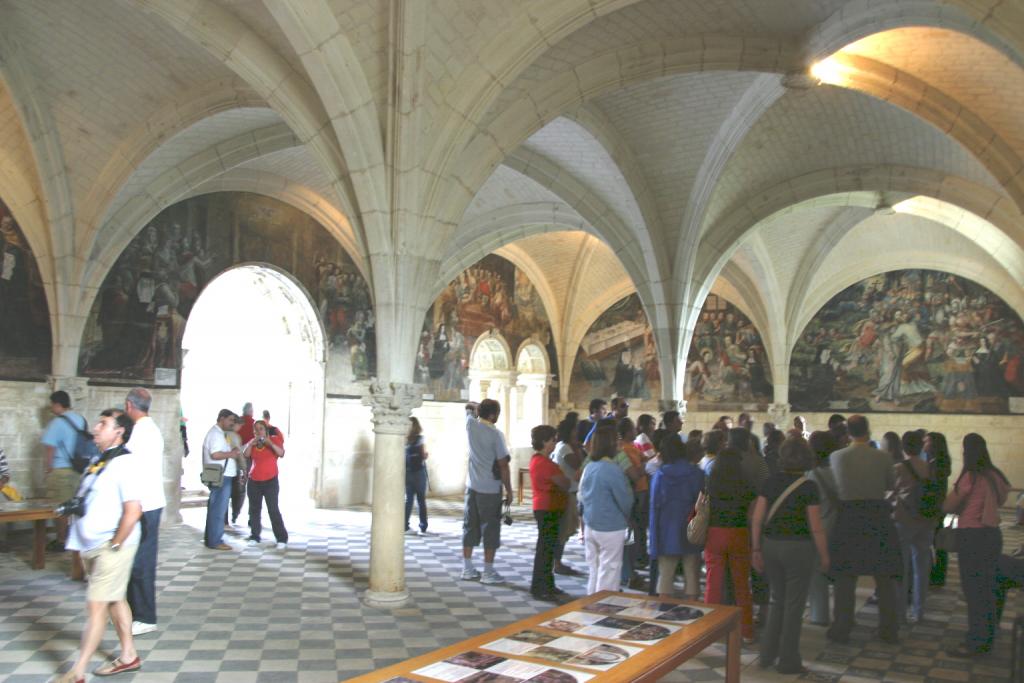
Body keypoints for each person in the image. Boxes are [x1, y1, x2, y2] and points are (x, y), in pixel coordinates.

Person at [56, 409, 143, 683]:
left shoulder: (125, 463)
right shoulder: (101, 460)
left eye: (103, 424)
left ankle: (77, 672)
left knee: (96, 607)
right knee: (115, 599)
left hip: (111, 545)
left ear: (119, 432)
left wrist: (115, 545)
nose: (95, 428)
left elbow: (134, 511)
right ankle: (129, 656)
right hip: (94, 543)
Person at [751, 437, 829, 674]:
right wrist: (825, 555)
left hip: (771, 545)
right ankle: (788, 660)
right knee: (794, 606)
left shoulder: (770, 482)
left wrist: (755, 549)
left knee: (777, 601)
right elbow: (815, 526)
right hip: (798, 548)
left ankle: (766, 654)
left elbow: (757, 518)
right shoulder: (808, 487)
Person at [827, 415, 901, 644]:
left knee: (845, 577)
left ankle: (842, 627)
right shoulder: (883, 457)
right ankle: (889, 629)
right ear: (868, 431)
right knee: (884, 576)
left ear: (848, 433)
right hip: (877, 515)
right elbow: (890, 484)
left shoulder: (837, 456)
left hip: (848, 516)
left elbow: (835, 486)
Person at [942, 433, 1011, 657]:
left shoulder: (970, 476)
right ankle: (989, 632)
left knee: (974, 591)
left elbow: (949, 505)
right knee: (989, 587)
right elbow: (1002, 499)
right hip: (992, 535)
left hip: (972, 537)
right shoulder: (995, 475)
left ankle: (976, 641)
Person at [123, 388, 164, 637]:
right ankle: (132, 611)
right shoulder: (147, 429)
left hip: (145, 504)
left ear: (129, 405)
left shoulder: (142, 432)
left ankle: (146, 616)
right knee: (134, 560)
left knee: (142, 562)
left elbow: (130, 467)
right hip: (145, 502)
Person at [704, 447, 756, 642]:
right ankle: (746, 631)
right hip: (738, 533)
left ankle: (709, 631)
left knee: (713, 583)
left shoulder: (710, 482)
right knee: (741, 584)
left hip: (714, 533)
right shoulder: (745, 483)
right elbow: (752, 512)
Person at [461, 400, 513, 584]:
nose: (498, 416)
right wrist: (509, 490)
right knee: (490, 528)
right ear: (492, 415)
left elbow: (468, 406)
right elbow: (503, 465)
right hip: (490, 488)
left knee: (469, 525)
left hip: (472, 486)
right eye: (497, 412)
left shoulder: (470, 425)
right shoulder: (495, 435)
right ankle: (488, 572)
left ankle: (467, 569)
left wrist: (476, 407)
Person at [578, 425, 633, 594]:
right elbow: (625, 499)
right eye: (616, 441)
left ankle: (591, 604)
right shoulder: (613, 470)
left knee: (594, 570)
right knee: (610, 570)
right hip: (610, 527)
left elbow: (580, 496)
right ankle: (604, 609)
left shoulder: (589, 467)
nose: (619, 444)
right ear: (610, 445)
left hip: (590, 525)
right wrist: (628, 517)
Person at [648, 436, 704, 599]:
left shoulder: (660, 475)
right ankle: (693, 615)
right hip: (690, 526)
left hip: (666, 528)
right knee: (692, 573)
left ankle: (665, 612)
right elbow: (702, 505)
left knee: (665, 574)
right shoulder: (697, 474)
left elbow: (654, 507)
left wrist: (653, 540)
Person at [892, 430, 934, 624]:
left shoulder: (899, 467)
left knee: (902, 567)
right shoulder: (929, 467)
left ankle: (900, 612)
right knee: (921, 567)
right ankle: (920, 611)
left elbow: (891, 491)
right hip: (925, 520)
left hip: (904, 520)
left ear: (904, 447)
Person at [529, 424, 570, 601]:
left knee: (548, 549)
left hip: (547, 506)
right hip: (547, 508)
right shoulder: (544, 463)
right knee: (545, 550)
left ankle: (548, 584)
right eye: (553, 440)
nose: (555, 443)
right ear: (545, 442)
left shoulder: (538, 460)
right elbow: (565, 483)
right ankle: (539, 587)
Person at [41, 390, 86, 548]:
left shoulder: (57, 422)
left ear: (58, 404)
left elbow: (50, 448)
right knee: (74, 506)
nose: (51, 408)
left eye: (52, 404)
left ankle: (61, 540)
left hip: (61, 470)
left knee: (60, 506)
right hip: (78, 470)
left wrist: (48, 468)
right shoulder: (80, 419)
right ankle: (72, 538)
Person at [806, 430, 840, 626]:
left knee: (818, 572)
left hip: (820, 526)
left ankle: (820, 614)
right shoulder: (840, 470)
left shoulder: (812, 475)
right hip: (841, 526)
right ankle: (844, 615)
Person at [243, 420, 288, 548]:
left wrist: (270, 443)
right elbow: (245, 454)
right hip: (254, 481)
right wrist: (251, 444)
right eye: (256, 429)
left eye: (261, 429)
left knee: (273, 509)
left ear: (266, 430)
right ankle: (255, 535)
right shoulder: (253, 443)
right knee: (254, 510)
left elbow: (281, 453)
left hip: (270, 481)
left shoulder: (274, 440)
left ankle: (281, 538)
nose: (258, 432)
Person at [202, 409, 240, 550]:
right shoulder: (216, 434)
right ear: (221, 418)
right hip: (220, 476)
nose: (232, 423)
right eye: (230, 420)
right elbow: (215, 455)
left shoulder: (220, 434)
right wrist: (232, 453)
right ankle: (215, 540)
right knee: (218, 510)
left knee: (217, 508)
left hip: (222, 475)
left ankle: (212, 538)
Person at [551, 412, 584, 576]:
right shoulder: (565, 447)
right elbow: (579, 465)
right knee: (563, 530)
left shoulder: (565, 446)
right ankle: (557, 563)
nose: (577, 432)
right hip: (565, 492)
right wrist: (578, 447)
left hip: (569, 491)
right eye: (575, 430)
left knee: (566, 529)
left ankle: (557, 562)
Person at [926, 431, 952, 587]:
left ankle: (937, 576)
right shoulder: (939, 461)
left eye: (927, 441)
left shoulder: (937, 463)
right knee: (938, 543)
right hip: (938, 506)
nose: (924, 444)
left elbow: (933, 487)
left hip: (935, 508)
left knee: (937, 543)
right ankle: (937, 575)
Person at [231, 402, 255, 525]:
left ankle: (233, 514)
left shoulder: (236, 423)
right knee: (244, 487)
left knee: (234, 485)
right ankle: (238, 513)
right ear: (251, 411)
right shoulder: (254, 424)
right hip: (247, 459)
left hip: (233, 458)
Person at [405, 417, 429, 535]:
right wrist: (425, 455)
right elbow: (423, 455)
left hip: (407, 472)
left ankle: (405, 526)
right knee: (421, 500)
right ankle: (423, 526)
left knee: (408, 500)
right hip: (419, 472)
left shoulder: (404, 439)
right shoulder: (420, 438)